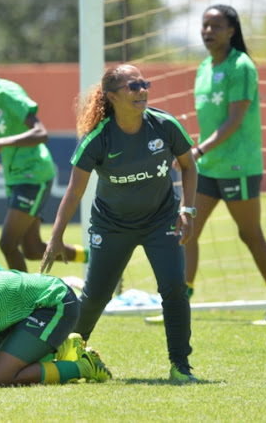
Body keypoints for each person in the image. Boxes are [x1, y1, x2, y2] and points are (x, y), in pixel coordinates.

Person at [41, 64, 199, 382]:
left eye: (144, 85)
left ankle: (180, 366)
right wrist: (55, 237)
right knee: (97, 295)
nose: (142, 91)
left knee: (174, 289)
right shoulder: (98, 139)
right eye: (133, 87)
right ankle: (70, 353)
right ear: (112, 96)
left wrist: (187, 210)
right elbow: (73, 192)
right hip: (111, 226)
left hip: (161, 221)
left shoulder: (165, 125)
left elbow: (188, 165)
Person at [176, 4, 266, 325]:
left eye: (216, 25)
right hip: (208, 168)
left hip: (238, 168)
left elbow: (234, 120)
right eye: (204, 25)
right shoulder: (203, 67)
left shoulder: (241, 66)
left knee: (250, 235)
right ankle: (180, 304)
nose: (208, 31)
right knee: (186, 230)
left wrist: (197, 151)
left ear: (232, 30)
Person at [0, 68, 88, 272]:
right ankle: (94, 256)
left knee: (7, 243)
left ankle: (25, 299)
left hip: (34, 173)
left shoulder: (7, 94)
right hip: (14, 176)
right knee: (32, 249)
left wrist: (1, 142)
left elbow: (41, 133)